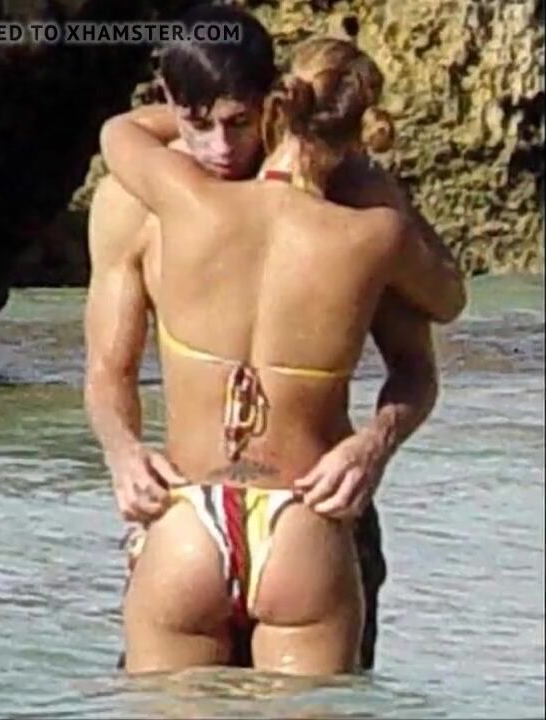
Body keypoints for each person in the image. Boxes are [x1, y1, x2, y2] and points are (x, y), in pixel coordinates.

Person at [84, 6, 462, 674]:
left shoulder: (343, 201)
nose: (220, 148)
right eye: (197, 123)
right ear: (168, 100)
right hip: (266, 518)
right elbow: (107, 369)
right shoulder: (138, 201)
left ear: (273, 101)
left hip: (267, 513)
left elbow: (413, 366)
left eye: (238, 122)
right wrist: (122, 452)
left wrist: (373, 445)